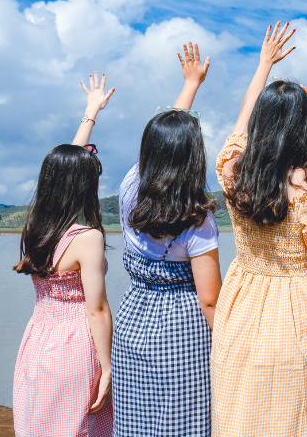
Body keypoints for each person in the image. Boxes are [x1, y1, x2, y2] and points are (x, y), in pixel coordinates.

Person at [211, 22, 307, 437]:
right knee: (303, 421)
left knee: (242, 419)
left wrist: (263, 65)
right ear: (306, 127)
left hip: (240, 306)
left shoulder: (232, 171)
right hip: (296, 312)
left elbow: (242, 120)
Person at [111, 43, 221, 436]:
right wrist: (232, 345)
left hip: (132, 320)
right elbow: (209, 299)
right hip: (184, 332)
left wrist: (189, 84)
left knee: (137, 421)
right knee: (186, 422)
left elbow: (162, 143)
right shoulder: (198, 217)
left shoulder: (129, 188)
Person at [13, 72, 115, 437]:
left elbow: (66, 168)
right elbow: (97, 309)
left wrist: (90, 112)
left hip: (38, 339)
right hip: (74, 344)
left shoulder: (38, 227)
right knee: (77, 427)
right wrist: (106, 368)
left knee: (41, 423)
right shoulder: (86, 238)